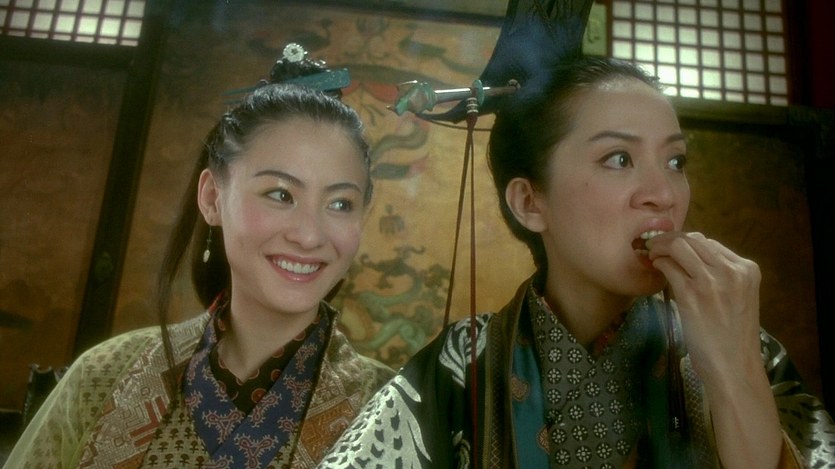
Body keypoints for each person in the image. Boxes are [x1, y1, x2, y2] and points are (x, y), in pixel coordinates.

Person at [318, 56, 835, 468]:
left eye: (676, 161)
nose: (663, 193)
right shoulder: (461, 365)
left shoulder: (745, 344)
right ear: (530, 202)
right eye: (619, 159)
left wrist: (735, 370)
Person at [5, 47, 394, 468]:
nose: (310, 235)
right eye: (280, 194)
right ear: (211, 198)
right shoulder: (102, 378)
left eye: (340, 204)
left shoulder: (393, 411)